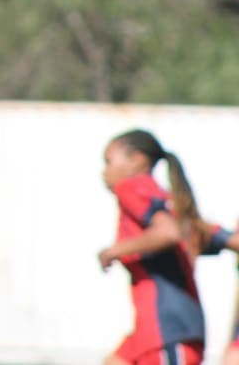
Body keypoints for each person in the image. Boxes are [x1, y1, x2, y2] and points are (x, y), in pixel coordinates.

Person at [98, 129, 237, 365]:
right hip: (153, 332)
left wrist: (114, 251)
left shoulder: (132, 187)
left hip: (167, 331)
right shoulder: (171, 206)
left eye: (109, 162)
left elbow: (168, 232)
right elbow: (223, 238)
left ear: (137, 160)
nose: (104, 171)